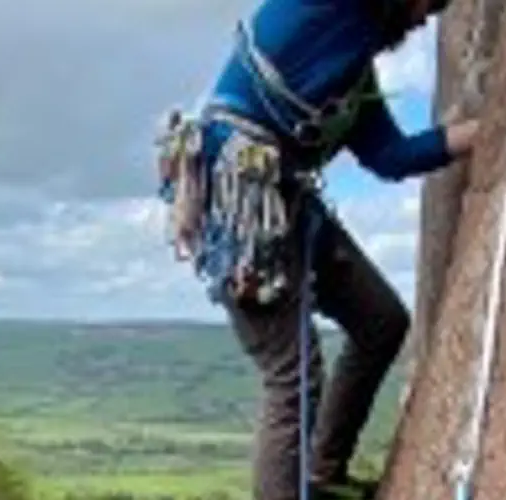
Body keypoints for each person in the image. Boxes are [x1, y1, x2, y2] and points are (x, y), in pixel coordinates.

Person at [151, 1, 478, 499]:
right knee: (292, 378)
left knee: (381, 321)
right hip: (244, 203)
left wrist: (484, 131)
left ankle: (323, 473)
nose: (426, 18)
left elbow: (391, 156)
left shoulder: (353, 78)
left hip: (290, 205)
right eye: (428, 2)